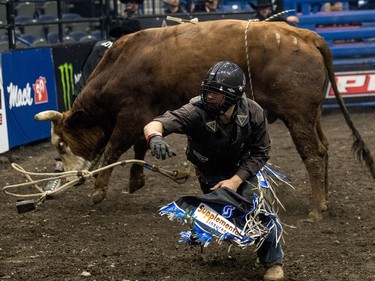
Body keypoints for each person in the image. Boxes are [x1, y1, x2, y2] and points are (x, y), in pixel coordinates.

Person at [143, 61, 285, 281]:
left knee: (257, 208)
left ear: (233, 96)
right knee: (224, 216)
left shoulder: (254, 112)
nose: (210, 97)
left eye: (216, 94)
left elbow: (261, 152)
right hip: (210, 173)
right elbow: (156, 123)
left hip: (244, 168)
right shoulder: (195, 111)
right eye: (208, 91)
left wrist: (236, 181)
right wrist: (155, 138)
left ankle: (273, 263)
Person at [44, 18, 142, 192]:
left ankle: (82, 169)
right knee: (75, 138)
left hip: (90, 102)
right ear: (124, 35)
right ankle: (60, 170)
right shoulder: (114, 50)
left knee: (81, 138)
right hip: (90, 104)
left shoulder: (105, 46)